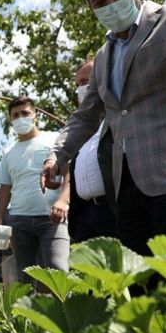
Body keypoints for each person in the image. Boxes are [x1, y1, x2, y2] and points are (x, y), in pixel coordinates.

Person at [42, 0, 166, 259]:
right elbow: (85, 116)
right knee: (135, 280)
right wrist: (57, 155)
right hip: (126, 184)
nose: (109, 3)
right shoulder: (103, 57)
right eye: (99, 0)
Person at [0, 96, 70, 286]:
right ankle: (26, 316)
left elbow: (70, 172)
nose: (21, 118)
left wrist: (63, 201)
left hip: (53, 219)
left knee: (58, 272)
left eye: (25, 113)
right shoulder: (9, 152)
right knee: (24, 280)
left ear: (35, 115)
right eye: (16, 115)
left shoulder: (54, 139)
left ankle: (66, 315)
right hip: (19, 221)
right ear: (11, 120)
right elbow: (5, 188)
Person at [52, 59, 118, 242]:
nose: (83, 87)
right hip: (84, 216)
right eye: (78, 83)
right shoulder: (79, 130)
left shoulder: (122, 117)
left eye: (87, 81)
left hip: (115, 213)